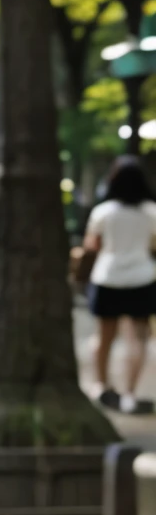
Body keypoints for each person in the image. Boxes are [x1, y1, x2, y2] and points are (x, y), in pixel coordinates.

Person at [84, 154, 156, 414]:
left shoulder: (103, 212)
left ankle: (101, 386)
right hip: (141, 276)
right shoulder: (151, 212)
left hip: (108, 276)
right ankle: (130, 394)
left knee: (104, 336)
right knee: (138, 338)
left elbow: (92, 245)